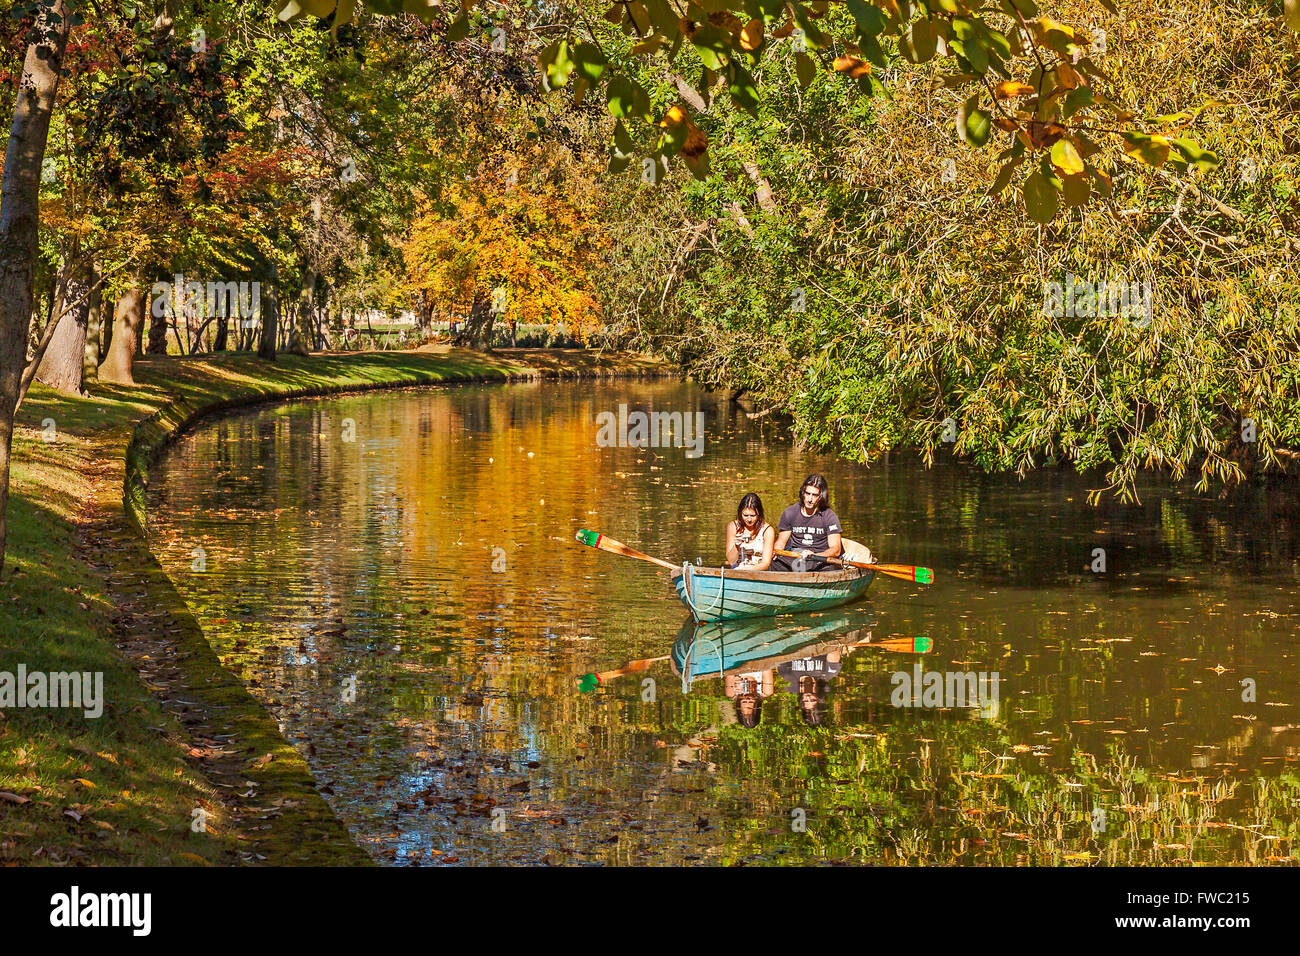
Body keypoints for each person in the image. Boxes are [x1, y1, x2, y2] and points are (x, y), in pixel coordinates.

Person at [772, 474, 843, 572]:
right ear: (802, 493)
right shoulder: (790, 512)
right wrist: (776, 552)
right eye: (807, 493)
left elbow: (836, 550)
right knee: (774, 563)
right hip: (796, 556)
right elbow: (780, 542)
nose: (809, 499)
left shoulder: (830, 516)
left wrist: (814, 556)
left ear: (821, 496)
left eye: (814, 495)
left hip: (819, 558)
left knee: (830, 568)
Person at [725, 492, 775, 571]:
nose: (749, 519)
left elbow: (765, 563)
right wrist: (736, 546)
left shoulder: (768, 530)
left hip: (758, 571)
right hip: (737, 569)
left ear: (759, 514)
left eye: (752, 516)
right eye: (745, 515)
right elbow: (731, 561)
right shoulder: (733, 526)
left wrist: (748, 570)